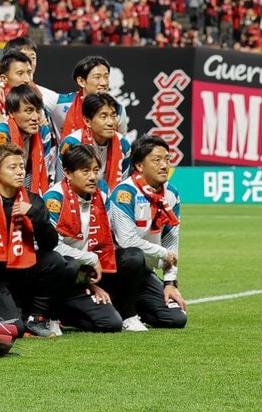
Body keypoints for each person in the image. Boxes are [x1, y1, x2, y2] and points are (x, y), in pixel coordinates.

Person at [0, 143, 73, 338]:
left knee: (55, 260)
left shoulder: (33, 201)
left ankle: (36, 319)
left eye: (21, 166)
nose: (20, 172)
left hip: (23, 271)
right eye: (12, 167)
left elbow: (49, 243)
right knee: (15, 330)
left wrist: (34, 215)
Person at [107, 136, 188, 329]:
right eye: (156, 160)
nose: (164, 165)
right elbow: (127, 242)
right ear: (139, 165)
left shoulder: (171, 194)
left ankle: (131, 305)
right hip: (114, 270)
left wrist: (170, 282)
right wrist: (162, 254)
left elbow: (170, 238)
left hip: (143, 271)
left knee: (176, 319)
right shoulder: (125, 193)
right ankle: (127, 315)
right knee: (133, 256)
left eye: (167, 159)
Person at [43, 144, 123, 333]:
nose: (93, 177)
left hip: (82, 278)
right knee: (66, 263)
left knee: (111, 323)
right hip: (54, 277)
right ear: (68, 173)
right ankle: (49, 315)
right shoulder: (54, 199)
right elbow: (51, 247)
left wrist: (93, 283)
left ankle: (66, 313)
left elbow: (108, 243)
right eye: (85, 171)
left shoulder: (101, 197)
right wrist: (91, 259)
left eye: (96, 170)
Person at [59, 93, 131, 187]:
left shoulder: (123, 145)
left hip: (109, 198)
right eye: (103, 116)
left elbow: (122, 185)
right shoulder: (72, 144)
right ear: (87, 121)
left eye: (113, 116)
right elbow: (62, 182)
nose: (111, 123)